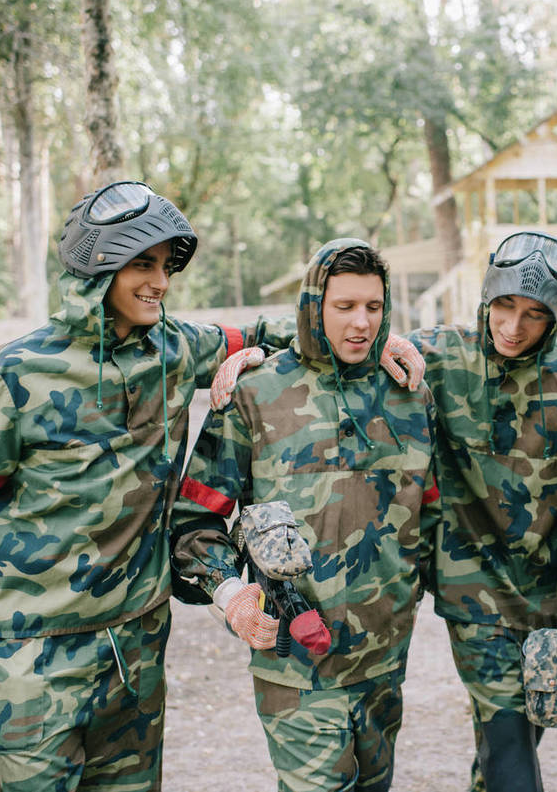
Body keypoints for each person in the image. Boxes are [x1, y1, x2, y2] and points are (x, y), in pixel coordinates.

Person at [0, 181, 422, 791]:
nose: (160, 281)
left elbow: (286, 328)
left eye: (165, 266)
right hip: (36, 653)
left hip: (138, 643)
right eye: (141, 265)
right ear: (98, 266)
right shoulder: (19, 372)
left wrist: (373, 331)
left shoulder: (173, 348)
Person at [170, 238, 441, 792]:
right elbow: (193, 522)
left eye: (373, 306)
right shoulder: (256, 392)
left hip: (385, 660)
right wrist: (229, 593)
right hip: (294, 661)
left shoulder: (409, 393)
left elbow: (432, 517)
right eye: (344, 307)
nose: (361, 323)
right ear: (314, 307)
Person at [406, 232, 557, 791]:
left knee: (524, 728)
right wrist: (255, 350)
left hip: (547, 591)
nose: (513, 327)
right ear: (486, 297)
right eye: (504, 306)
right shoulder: (432, 355)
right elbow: (346, 335)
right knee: (508, 735)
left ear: (555, 319)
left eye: (533, 314)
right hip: (470, 585)